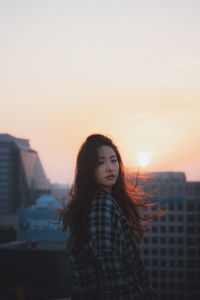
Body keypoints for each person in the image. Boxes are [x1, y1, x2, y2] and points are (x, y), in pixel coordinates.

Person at [59, 133, 162, 299]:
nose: (110, 167)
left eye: (113, 161)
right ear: (89, 170)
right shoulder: (101, 204)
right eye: (101, 162)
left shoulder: (101, 201)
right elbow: (110, 266)